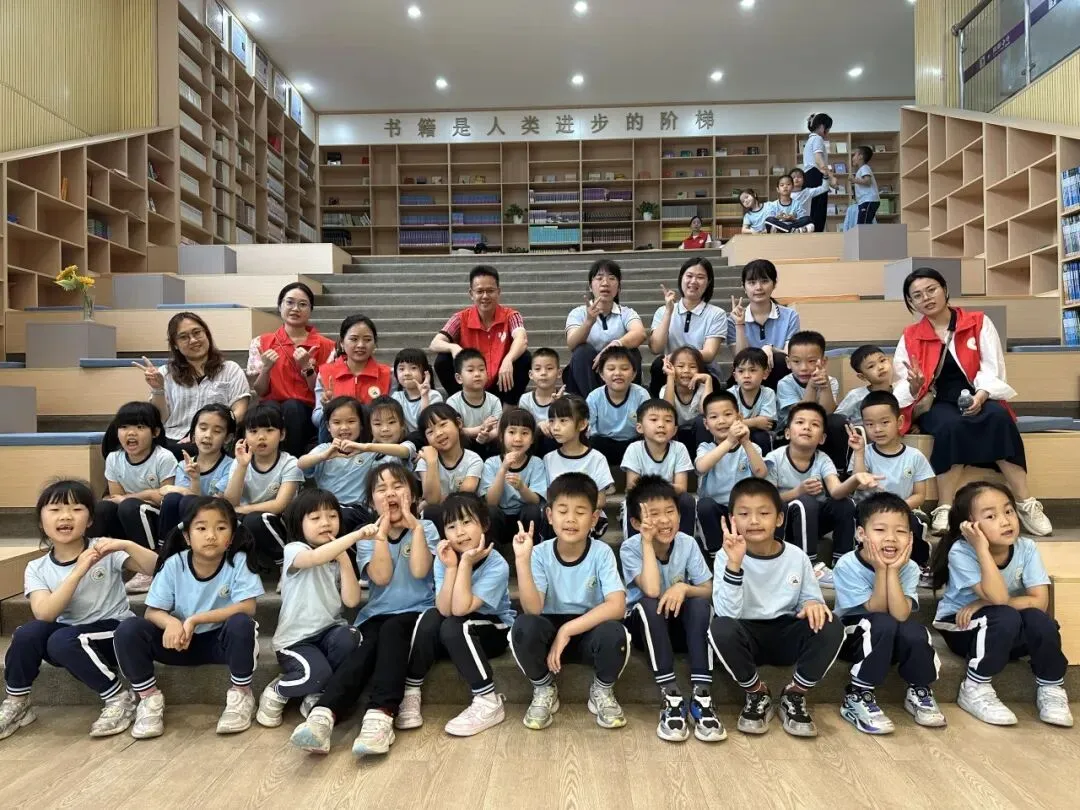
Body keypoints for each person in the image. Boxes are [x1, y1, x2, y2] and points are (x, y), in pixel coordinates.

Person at [288, 463, 440, 755]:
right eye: (381, 489)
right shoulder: (366, 534)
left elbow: (420, 571)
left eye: (398, 486)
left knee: (393, 629)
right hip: (377, 614)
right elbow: (380, 577)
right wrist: (380, 536)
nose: (390, 493)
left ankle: (380, 715)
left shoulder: (427, 528)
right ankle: (323, 715)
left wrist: (416, 528)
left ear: (413, 495)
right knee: (365, 647)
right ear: (371, 502)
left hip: (418, 612)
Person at [893, 268, 1052, 537]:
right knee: (949, 426)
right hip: (937, 400)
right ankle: (944, 506)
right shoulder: (910, 335)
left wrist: (982, 395)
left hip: (979, 393)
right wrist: (915, 386)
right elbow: (903, 383)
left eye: (931, 290)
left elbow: (993, 367)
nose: (926, 298)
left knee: (998, 418)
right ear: (911, 302)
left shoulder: (977, 322)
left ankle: (1025, 502)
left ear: (945, 289)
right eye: (917, 295)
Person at [0, 480, 158, 741]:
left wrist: (126, 545)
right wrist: (79, 570)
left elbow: (155, 568)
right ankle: (18, 703)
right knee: (28, 633)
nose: (65, 516)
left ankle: (120, 698)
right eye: (55, 510)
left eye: (76, 509)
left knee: (63, 639)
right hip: (69, 641)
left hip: (114, 635)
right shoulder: (37, 568)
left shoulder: (103, 548)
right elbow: (45, 614)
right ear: (41, 522)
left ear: (90, 519)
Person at [113, 496, 263, 739]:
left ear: (232, 536)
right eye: (201, 528)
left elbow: (248, 607)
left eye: (221, 528)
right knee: (129, 629)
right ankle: (148, 699)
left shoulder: (238, 561)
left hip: (218, 644)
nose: (211, 535)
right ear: (187, 536)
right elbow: (152, 611)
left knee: (241, 623)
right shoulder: (174, 564)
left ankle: (241, 694)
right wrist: (172, 623)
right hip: (179, 642)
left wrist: (195, 620)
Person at [708, 478, 845, 737]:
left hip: (785, 632)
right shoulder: (726, 556)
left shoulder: (796, 556)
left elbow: (811, 600)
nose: (754, 521)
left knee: (830, 623)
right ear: (732, 520)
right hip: (747, 634)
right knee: (720, 628)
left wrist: (812, 604)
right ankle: (757, 692)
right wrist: (735, 565)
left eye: (764, 513)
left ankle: (794, 694)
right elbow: (727, 614)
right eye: (744, 514)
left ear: (779, 519)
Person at [930, 481, 1071, 727]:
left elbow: (1039, 602)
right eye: (991, 516)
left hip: (1003, 625)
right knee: (1005, 615)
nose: (1005, 521)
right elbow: (998, 598)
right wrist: (981, 549)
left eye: (1008, 511)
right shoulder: (961, 551)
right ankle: (975, 686)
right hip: (962, 628)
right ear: (969, 526)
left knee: (1040, 620)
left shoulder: (1026, 548)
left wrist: (982, 603)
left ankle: (1051, 687)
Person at [510, 473, 630, 730]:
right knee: (523, 627)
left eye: (580, 512)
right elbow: (533, 608)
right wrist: (521, 560)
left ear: (594, 518)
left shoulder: (601, 552)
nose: (571, 519)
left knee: (614, 632)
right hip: (548, 632)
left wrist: (568, 629)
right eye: (563, 511)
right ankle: (544, 688)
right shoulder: (539, 553)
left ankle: (602, 690)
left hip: (588, 631)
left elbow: (617, 606)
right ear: (549, 515)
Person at [832, 493, 946, 734]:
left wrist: (892, 570)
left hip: (889, 632)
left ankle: (919, 689)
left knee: (915, 631)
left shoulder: (909, 567)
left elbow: (901, 615)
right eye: (880, 530)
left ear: (911, 538)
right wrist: (881, 570)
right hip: (852, 637)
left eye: (901, 531)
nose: (891, 538)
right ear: (861, 534)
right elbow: (875, 609)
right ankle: (858, 694)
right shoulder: (847, 564)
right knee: (881, 622)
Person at [621, 476, 721, 743]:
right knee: (648, 603)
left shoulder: (687, 543)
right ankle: (671, 694)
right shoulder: (630, 549)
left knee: (699, 603)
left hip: (678, 624)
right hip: (646, 628)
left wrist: (684, 588)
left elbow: (708, 589)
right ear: (636, 523)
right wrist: (646, 542)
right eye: (653, 515)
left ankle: (702, 695)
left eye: (670, 511)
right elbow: (652, 590)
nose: (665, 520)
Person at [256, 489, 362, 728]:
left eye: (332, 516)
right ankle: (278, 690)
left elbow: (352, 601)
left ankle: (317, 691)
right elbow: (314, 559)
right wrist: (354, 537)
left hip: (328, 633)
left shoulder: (337, 557)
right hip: (296, 641)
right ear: (299, 524)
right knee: (316, 674)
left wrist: (344, 558)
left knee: (351, 638)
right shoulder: (295, 549)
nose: (326, 523)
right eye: (315, 518)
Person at [426, 494, 516, 737]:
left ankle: (488, 700)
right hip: (461, 625)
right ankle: (411, 690)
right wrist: (451, 567)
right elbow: (444, 609)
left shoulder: (497, 564)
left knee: (455, 626)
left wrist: (465, 564)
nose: (460, 532)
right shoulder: (445, 558)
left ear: (484, 524)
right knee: (429, 619)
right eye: (451, 526)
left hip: (494, 629)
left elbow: (460, 609)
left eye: (467, 522)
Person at [765, 402, 881, 576]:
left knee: (845, 503)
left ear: (822, 438)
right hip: (784, 523)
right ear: (787, 433)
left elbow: (836, 491)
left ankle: (843, 563)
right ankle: (809, 564)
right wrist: (798, 491)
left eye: (814, 424)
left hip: (815, 521)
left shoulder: (822, 459)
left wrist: (856, 472)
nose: (807, 427)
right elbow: (767, 500)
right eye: (800, 422)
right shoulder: (775, 458)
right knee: (805, 502)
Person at [134, 312, 249, 451]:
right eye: (184, 337)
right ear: (175, 345)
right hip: (173, 439)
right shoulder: (165, 373)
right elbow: (160, 419)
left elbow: (239, 412)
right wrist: (158, 389)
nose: (193, 340)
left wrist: (206, 432)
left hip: (214, 439)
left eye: (197, 333)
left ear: (207, 334)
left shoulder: (230, 369)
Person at [248, 282, 335, 458]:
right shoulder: (261, 342)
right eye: (289, 302)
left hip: (307, 412)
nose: (295, 309)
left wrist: (307, 367)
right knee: (270, 409)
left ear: (311, 310)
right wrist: (266, 368)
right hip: (271, 409)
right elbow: (260, 391)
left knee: (293, 407)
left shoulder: (327, 346)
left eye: (303, 304)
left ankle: (291, 464)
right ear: (280, 306)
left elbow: (323, 392)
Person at [298, 397, 412, 533]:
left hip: (357, 510)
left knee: (341, 516)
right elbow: (301, 464)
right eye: (337, 422)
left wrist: (365, 447)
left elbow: (403, 451)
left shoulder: (371, 452)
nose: (344, 427)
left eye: (351, 421)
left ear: (362, 424)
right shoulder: (324, 449)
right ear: (328, 426)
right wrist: (324, 456)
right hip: (325, 507)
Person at [96, 402, 176, 593]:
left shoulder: (164, 457)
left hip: (157, 521)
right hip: (128, 516)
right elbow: (116, 497)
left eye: (140, 427)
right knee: (103, 508)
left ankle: (150, 567)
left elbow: (166, 498)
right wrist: (145, 495)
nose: (131, 433)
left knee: (130, 506)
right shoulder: (114, 458)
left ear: (155, 432)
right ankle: (97, 563)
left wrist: (138, 497)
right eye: (124, 427)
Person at [847, 392, 934, 566]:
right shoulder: (865, 452)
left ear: (899, 422)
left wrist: (897, 509)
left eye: (884, 422)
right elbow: (860, 485)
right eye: (870, 424)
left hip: (902, 509)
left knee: (911, 525)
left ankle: (917, 565)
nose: (877, 429)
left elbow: (919, 495)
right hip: (868, 512)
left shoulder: (915, 456)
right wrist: (859, 452)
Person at [221, 402, 305, 572]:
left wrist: (243, 509)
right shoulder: (239, 462)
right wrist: (242, 466)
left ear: (282, 434)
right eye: (253, 431)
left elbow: (279, 505)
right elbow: (231, 501)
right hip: (248, 519)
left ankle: (288, 563)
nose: (261, 437)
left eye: (269, 430)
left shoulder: (290, 463)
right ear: (244, 436)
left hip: (282, 524)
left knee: (254, 519)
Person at [430, 265, 531, 404]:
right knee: (442, 359)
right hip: (471, 381)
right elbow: (435, 343)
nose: (485, 296)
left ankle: (508, 409)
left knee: (524, 357)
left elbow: (521, 338)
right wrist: (454, 347)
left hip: (501, 381)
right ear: (471, 294)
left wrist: (508, 359)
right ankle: (462, 404)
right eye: (479, 291)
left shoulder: (511, 316)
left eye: (490, 291)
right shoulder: (460, 318)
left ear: (498, 292)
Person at [695, 392, 768, 563]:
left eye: (727, 414)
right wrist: (729, 441)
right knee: (704, 506)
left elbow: (761, 473)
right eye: (714, 417)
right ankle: (715, 557)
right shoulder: (705, 447)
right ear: (706, 424)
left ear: (739, 418)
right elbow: (701, 467)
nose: (721, 421)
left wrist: (745, 442)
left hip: (745, 511)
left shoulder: (751, 447)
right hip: (717, 513)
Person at [647, 257, 729, 396]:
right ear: (681, 278)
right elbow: (656, 348)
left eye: (700, 277)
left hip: (702, 367)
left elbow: (709, 353)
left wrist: (678, 357)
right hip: (670, 366)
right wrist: (668, 312)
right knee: (658, 365)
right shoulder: (663, 311)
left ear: (708, 282)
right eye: (689, 276)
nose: (693, 281)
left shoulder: (717, 314)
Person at [564, 260, 646, 396]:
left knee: (632, 351)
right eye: (599, 278)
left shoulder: (626, 313)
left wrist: (614, 345)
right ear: (590, 286)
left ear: (619, 288)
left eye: (612, 278)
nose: (605, 283)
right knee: (582, 351)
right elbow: (572, 343)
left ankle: (628, 400)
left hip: (616, 372)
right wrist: (588, 322)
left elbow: (640, 333)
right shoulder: (578, 313)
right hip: (587, 374)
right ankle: (593, 402)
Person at [157, 404, 236, 546]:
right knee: (172, 499)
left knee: (186, 499)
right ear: (193, 433)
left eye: (217, 431)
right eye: (203, 428)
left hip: (216, 521)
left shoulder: (231, 466)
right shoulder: (183, 465)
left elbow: (211, 505)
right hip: (188, 519)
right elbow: (183, 498)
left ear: (228, 438)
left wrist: (194, 480)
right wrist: (184, 487)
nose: (208, 435)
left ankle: (191, 546)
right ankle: (165, 546)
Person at [620, 399, 695, 538]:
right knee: (631, 500)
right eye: (654, 420)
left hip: (670, 500)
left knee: (687, 500)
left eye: (668, 420)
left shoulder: (679, 449)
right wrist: (657, 491)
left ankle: (685, 544)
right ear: (639, 428)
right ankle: (635, 544)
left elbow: (681, 487)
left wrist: (656, 490)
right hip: (643, 499)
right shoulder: (634, 449)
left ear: (675, 430)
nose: (661, 425)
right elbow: (632, 487)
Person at [543, 395, 615, 535]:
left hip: (586, 516)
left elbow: (601, 500)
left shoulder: (596, 458)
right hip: (559, 517)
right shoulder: (548, 459)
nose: (555, 427)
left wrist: (575, 509)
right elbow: (547, 496)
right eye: (551, 421)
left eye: (563, 421)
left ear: (582, 424)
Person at [776, 330, 848, 470]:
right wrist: (812, 386)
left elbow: (827, 412)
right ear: (788, 362)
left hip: (817, 431)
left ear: (823, 361)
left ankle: (838, 470)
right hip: (789, 434)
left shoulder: (831, 381)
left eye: (811, 361)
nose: (804, 368)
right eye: (796, 361)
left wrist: (825, 386)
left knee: (837, 421)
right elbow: (802, 415)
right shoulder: (785, 383)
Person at [312, 315, 392, 436]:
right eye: (354, 339)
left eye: (367, 340)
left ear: (375, 343)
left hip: (374, 438)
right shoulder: (325, 373)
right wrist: (327, 408)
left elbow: (394, 416)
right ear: (342, 343)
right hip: (338, 438)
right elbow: (317, 419)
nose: (360, 345)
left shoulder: (388, 374)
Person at [727, 259, 802, 389]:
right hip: (749, 375)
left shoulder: (790, 316)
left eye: (764, 281)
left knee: (780, 360)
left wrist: (770, 348)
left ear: (774, 284)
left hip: (779, 372)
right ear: (744, 287)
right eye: (752, 282)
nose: (758, 287)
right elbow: (740, 359)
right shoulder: (733, 319)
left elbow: (791, 356)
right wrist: (739, 325)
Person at [480, 408, 549, 547]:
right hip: (501, 518)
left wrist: (522, 487)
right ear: (501, 436)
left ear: (532, 439)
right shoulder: (491, 463)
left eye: (525, 433)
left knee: (532, 510)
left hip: (523, 517)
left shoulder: (536, 463)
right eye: (511, 432)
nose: (518, 439)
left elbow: (535, 501)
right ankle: (494, 552)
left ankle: (531, 549)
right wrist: (503, 469)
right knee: (490, 512)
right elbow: (491, 502)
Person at [416, 403, 483, 531]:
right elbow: (433, 500)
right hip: (438, 516)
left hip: (464, 515)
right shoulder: (425, 461)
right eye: (430, 431)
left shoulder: (473, 460)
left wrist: (431, 500)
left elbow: (463, 497)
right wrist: (432, 462)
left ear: (459, 423)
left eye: (443, 424)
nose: (438, 433)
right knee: (432, 511)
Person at [585, 346, 650, 465]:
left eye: (624, 368)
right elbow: (587, 426)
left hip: (632, 444)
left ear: (634, 374)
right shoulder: (594, 397)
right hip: (603, 444)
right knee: (594, 442)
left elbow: (647, 425)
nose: (618, 373)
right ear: (601, 374)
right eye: (611, 368)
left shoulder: (641, 395)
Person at [446, 348, 504, 460]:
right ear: (459, 378)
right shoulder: (453, 402)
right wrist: (481, 428)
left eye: (481, 369)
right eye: (470, 370)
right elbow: (455, 430)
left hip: (488, 443)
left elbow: (498, 428)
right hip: (465, 446)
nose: (477, 374)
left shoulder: (494, 400)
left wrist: (488, 436)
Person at [660, 346, 713, 453]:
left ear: (699, 370)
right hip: (675, 435)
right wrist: (670, 376)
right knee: (667, 420)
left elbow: (705, 411)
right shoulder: (666, 389)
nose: (686, 371)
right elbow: (667, 410)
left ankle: (704, 457)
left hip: (698, 435)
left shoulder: (703, 389)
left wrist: (708, 380)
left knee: (703, 421)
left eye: (693, 367)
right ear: (671, 367)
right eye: (680, 366)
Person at [728, 348, 778, 451]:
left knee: (761, 436)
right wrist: (755, 422)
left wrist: (741, 422)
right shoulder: (730, 394)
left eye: (753, 370)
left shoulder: (768, 393)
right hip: (734, 434)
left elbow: (767, 423)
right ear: (735, 376)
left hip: (758, 436)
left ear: (765, 374)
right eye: (741, 371)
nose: (746, 376)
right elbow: (727, 423)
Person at [835, 344, 895, 424]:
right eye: (871, 366)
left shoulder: (900, 391)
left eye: (882, 360)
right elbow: (837, 419)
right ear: (862, 376)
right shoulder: (856, 396)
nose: (880, 367)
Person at [518, 347, 562, 456]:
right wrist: (538, 426)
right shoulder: (525, 399)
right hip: (533, 448)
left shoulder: (565, 398)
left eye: (549, 368)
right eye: (538, 369)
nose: (543, 373)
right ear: (531, 374)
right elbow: (522, 428)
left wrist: (558, 406)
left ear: (559, 373)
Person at [390, 348, 442, 434]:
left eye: (413, 368)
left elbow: (427, 424)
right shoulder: (396, 397)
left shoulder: (434, 396)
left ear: (424, 373)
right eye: (401, 369)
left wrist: (424, 396)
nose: (406, 373)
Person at [802, 112, 834, 234]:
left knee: (813, 210)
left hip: (809, 176)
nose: (828, 132)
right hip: (816, 175)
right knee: (819, 211)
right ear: (822, 127)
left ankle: (813, 235)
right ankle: (818, 236)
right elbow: (819, 160)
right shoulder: (817, 139)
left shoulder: (810, 140)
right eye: (828, 129)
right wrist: (831, 177)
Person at [850, 146, 881, 224]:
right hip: (865, 201)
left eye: (854, 155)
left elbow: (867, 181)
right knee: (864, 224)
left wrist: (854, 180)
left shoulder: (864, 168)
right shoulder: (862, 169)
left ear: (860, 156)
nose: (852, 158)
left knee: (862, 225)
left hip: (868, 200)